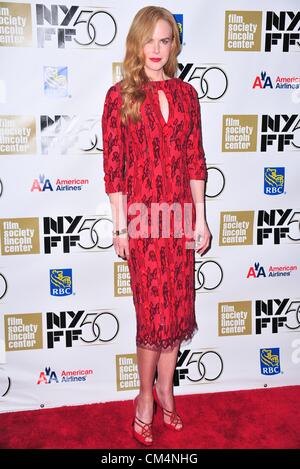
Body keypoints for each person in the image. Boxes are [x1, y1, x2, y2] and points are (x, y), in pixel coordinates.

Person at [101, 6, 211, 446]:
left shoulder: (187, 95)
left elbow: (194, 159)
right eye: (150, 40)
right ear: (136, 43)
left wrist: (201, 219)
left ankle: (168, 386)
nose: (157, 50)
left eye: (165, 41)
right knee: (152, 316)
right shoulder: (119, 96)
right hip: (143, 220)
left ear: (173, 45)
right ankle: (145, 396)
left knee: (177, 311)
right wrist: (120, 227)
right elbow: (115, 166)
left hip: (181, 217)